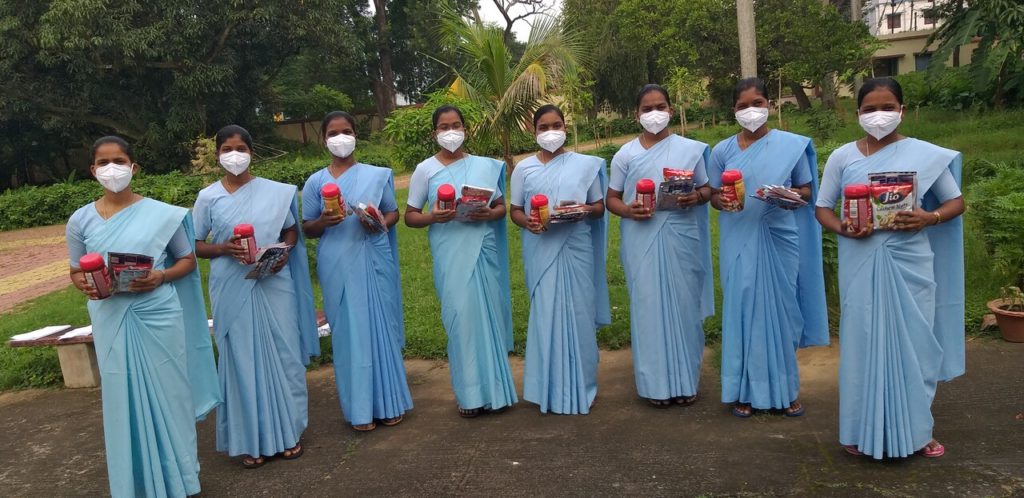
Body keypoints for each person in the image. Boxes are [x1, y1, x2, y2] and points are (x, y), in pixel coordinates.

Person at [815, 78, 965, 459]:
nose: (878, 115)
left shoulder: (924, 155)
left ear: (902, 109)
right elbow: (822, 208)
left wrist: (928, 217)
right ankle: (858, 429)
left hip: (910, 261)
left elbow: (955, 203)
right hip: (860, 260)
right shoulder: (842, 157)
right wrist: (843, 229)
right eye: (869, 108)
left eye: (887, 106)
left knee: (915, 346)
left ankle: (919, 430)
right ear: (857, 113)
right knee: (862, 345)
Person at [66, 136, 220, 497]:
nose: (111, 169)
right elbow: (75, 270)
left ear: (133, 167)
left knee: (170, 394)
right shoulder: (80, 220)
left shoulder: (161, 214)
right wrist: (85, 285)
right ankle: (135, 484)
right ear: (92, 170)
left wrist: (160, 276)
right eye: (103, 162)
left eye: (118, 160)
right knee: (122, 397)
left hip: (157, 314)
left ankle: (180, 480)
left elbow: (186, 260)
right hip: (110, 317)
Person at [193, 125, 319, 468]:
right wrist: (223, 247)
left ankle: (288, 433)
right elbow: (194, 244)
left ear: (251, 152)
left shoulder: (276, 192)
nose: (234, 155)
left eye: (240, 148)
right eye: (227, 149)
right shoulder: (208, 198)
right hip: (231, 286)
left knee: (284, 353)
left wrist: (283, 253)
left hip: (273, 281)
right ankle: (250, 440)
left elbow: (291, 230)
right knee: (241, 360)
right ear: (218, 154)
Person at [708, 78, 829, 418]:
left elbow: (806, 190)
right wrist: (723, 202)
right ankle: (744, 392)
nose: (752, 111)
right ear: (734, 110)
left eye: (758, 102)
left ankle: (786, 390)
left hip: (779, 235)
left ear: (770, 105)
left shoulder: (791, 146)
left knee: (782, 311)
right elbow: (715, 195)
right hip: (739, 238)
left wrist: (791, 198)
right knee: (742, 311)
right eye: (744, 105)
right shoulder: (722, 151)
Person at [302, 111, 412, 431]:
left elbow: (394, 213)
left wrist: (376, 221)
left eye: (346, 131)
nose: (340, 138)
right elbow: (307, 227)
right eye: (333, 133)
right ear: (324, 140)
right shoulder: (315, 182)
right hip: (336, 261)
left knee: (379, 327)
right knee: (349, 332)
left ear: (356, 135)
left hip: (371, 255)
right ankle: (360, 409)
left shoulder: (376, 175)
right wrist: (323, 221)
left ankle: (390, 402)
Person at [404, 105, 517, 418]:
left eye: (455, 125)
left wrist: (487, 213)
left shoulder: (485, 166)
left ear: (465, 129)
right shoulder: (424, 170)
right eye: (443, 126)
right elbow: (410, 216)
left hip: (484, 249)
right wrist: (433, 216)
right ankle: (469, 395)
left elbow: (500, 208)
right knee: (461, 319)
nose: (450, 132)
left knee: (489, 317)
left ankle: (497, 393)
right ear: (435, 133)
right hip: (450, 251)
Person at [606, 85, 714, 408]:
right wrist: (628, 210)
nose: (654, 113)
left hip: (683, 236)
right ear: (637, 114)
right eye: (647, 108)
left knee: (684, 306)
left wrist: (694, 196)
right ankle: (654, 386)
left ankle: (686, 382)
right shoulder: (625, 154)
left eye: (660, 106)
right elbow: (611, 198)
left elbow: (707, 189)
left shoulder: (690, 150)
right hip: (642, 239)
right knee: (648, 308)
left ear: (670, 108)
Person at [510, 104, 610, 415]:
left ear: (565, 127)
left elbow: (598, 207)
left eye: (556, 125)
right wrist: (529, 222)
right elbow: (515, 210)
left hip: (576, 246)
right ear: (534, 130)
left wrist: (578, 210)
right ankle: (548, 389)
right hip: (541, 248)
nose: (550, 132)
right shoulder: (523, 169)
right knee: (546, 314)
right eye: (544, 127)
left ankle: (583, 387)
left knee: (579, 314)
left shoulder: (585, 165)